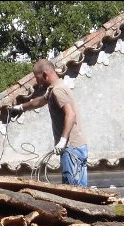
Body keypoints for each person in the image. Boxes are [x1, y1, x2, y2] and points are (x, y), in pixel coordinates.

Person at [12, 59, 89, 187]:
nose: (37, 82)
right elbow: (39, 101)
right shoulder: (54, 89)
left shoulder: (58, 91)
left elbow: (71, 114)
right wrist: (21, 107)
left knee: (75, 190)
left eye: (38, 78)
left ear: (45, 75)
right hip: (73, 147)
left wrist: (63, 140)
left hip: (72, 148)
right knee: (72, 188)